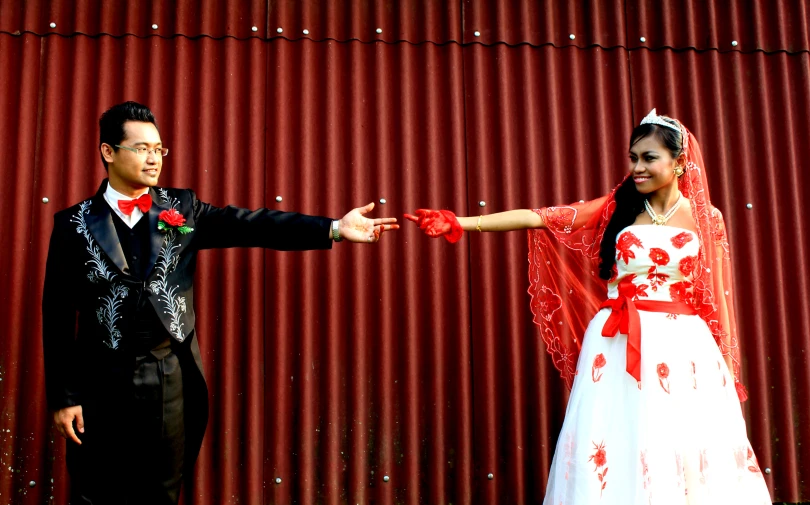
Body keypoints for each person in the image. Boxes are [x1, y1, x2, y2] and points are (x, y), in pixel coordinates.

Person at [406, 109, 771, 504]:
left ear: (680, 163)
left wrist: (727, 365)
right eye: (633, 158)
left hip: (682, 345)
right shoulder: (619, 207)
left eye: (649, 158)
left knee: (679, 439)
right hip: (617, 339)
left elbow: (717, 295)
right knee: (615, 433)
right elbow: (541, 218)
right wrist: (460, 222)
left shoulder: (707, 218)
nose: (637, 167)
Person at [42, 101, 399, 504]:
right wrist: (64, 397)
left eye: (158, 149)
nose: (153, 158)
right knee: (95, 492)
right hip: (99, 381)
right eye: (141, 148)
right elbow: (56, 316)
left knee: (161, 492)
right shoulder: (72, 223)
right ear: (109, 152)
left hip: (169, 377)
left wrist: (333, 228)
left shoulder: (181, 208)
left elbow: (251, 224)